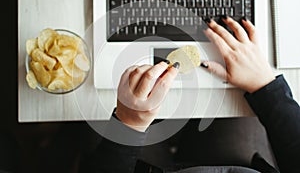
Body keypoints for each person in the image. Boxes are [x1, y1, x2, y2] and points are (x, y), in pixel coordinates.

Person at [84, 16, 300, 173]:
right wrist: (265, 86)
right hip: (236, 162)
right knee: (235, 119)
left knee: (91, 124)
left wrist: (128, 125)